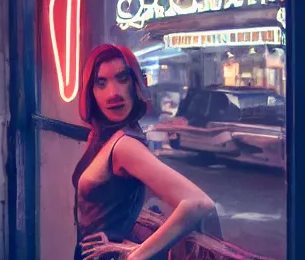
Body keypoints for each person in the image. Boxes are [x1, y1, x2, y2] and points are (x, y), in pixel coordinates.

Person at [73, 44, 216, 260]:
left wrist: (136, 255)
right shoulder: (102, 138)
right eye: (101, 83)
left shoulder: (124, 145)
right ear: (91, 92)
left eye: (122, 79)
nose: (113, 93)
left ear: (136, 84)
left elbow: (198, 203)